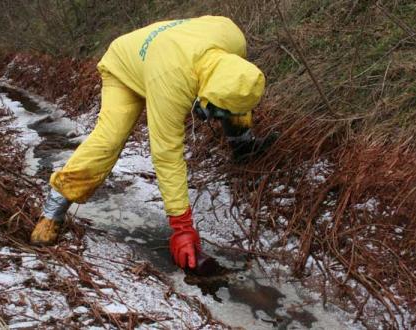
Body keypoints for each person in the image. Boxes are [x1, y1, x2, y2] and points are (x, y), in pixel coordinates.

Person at [30, 15, 273, 269]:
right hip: (124, 65)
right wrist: (182, 228)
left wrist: (222, 107)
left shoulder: (233, 40)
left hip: (165, 50)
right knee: (109, 139)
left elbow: (234, 84)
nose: (211, 118)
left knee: (234, 91)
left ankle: (243, 144)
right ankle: (54, 209)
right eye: (211, 111)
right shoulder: (171, 83)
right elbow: (167, 154)